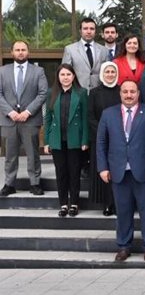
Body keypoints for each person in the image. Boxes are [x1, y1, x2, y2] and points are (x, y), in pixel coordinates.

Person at [97, 80, 145, 262]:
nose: (129, 95)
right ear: (120, 94)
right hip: (119, 171)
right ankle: (124, 246)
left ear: (138, 93)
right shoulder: (108, 114)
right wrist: (103, 167)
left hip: (143, 171)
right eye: (125, 92)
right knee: (123, 211)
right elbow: (101, 142)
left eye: (132, 91)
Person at [0, 41, 48, 197]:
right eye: (17, 50)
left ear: (28, 52)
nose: (20, 52)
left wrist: (28, 112)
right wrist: (10, 112)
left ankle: (35, 183)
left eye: (23, 49)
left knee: (33, 154)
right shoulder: (2, 71)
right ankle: (9, 184)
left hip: (30, 119)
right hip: (9, 120)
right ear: (12, 52)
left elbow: (43, 93)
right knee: (10, 155)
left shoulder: (38, 71)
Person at [44, 64, 89, 218]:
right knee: (61, 172)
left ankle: (74, 204)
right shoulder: (51, 93)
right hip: (57, 139)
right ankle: (63, 204)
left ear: (73, 76)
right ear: (58, 77)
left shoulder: (81, 93)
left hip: (75, 139)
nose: (65, 77)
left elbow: (85, 118)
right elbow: (48, 118)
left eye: (68, 74)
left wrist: (85, 140)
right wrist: (47, 141)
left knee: (74, 172)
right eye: (62, 75)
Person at [88, 62, 120, 216]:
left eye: (113, 72)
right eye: (107, 72)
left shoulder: (122, 91)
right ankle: (107, 204)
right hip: (100, 139)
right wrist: (103, 132)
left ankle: (117, 203)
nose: (110, 74)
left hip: (119, 139)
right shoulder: (94, 93)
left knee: (118, 171)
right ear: (102, 74)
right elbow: (90, 116)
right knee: (104, 171)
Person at [62, 17, 108, 92]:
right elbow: (65, 74)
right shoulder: (70, 50)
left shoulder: (104, 50)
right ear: (80, 31)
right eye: (85, 28)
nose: (89, 31)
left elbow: (107, 74)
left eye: (92, 29)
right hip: (77, 93)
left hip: (99, 93)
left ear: (95, 31)